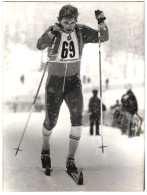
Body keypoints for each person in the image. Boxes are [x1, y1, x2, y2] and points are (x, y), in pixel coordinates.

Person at [36, 4, 109, 174]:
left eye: (72, 22)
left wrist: (101, 22)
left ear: (76, 20)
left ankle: (71, 159)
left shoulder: (81, 30)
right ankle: (45, 149)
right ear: (60, 21)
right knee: (51, 121)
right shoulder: (54, 30)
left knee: (78, 118)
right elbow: (40, 45)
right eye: (66, 22)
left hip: (73, 83)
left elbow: (102, 37)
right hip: (54, 83)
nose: (69, 26)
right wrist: (50, 34)